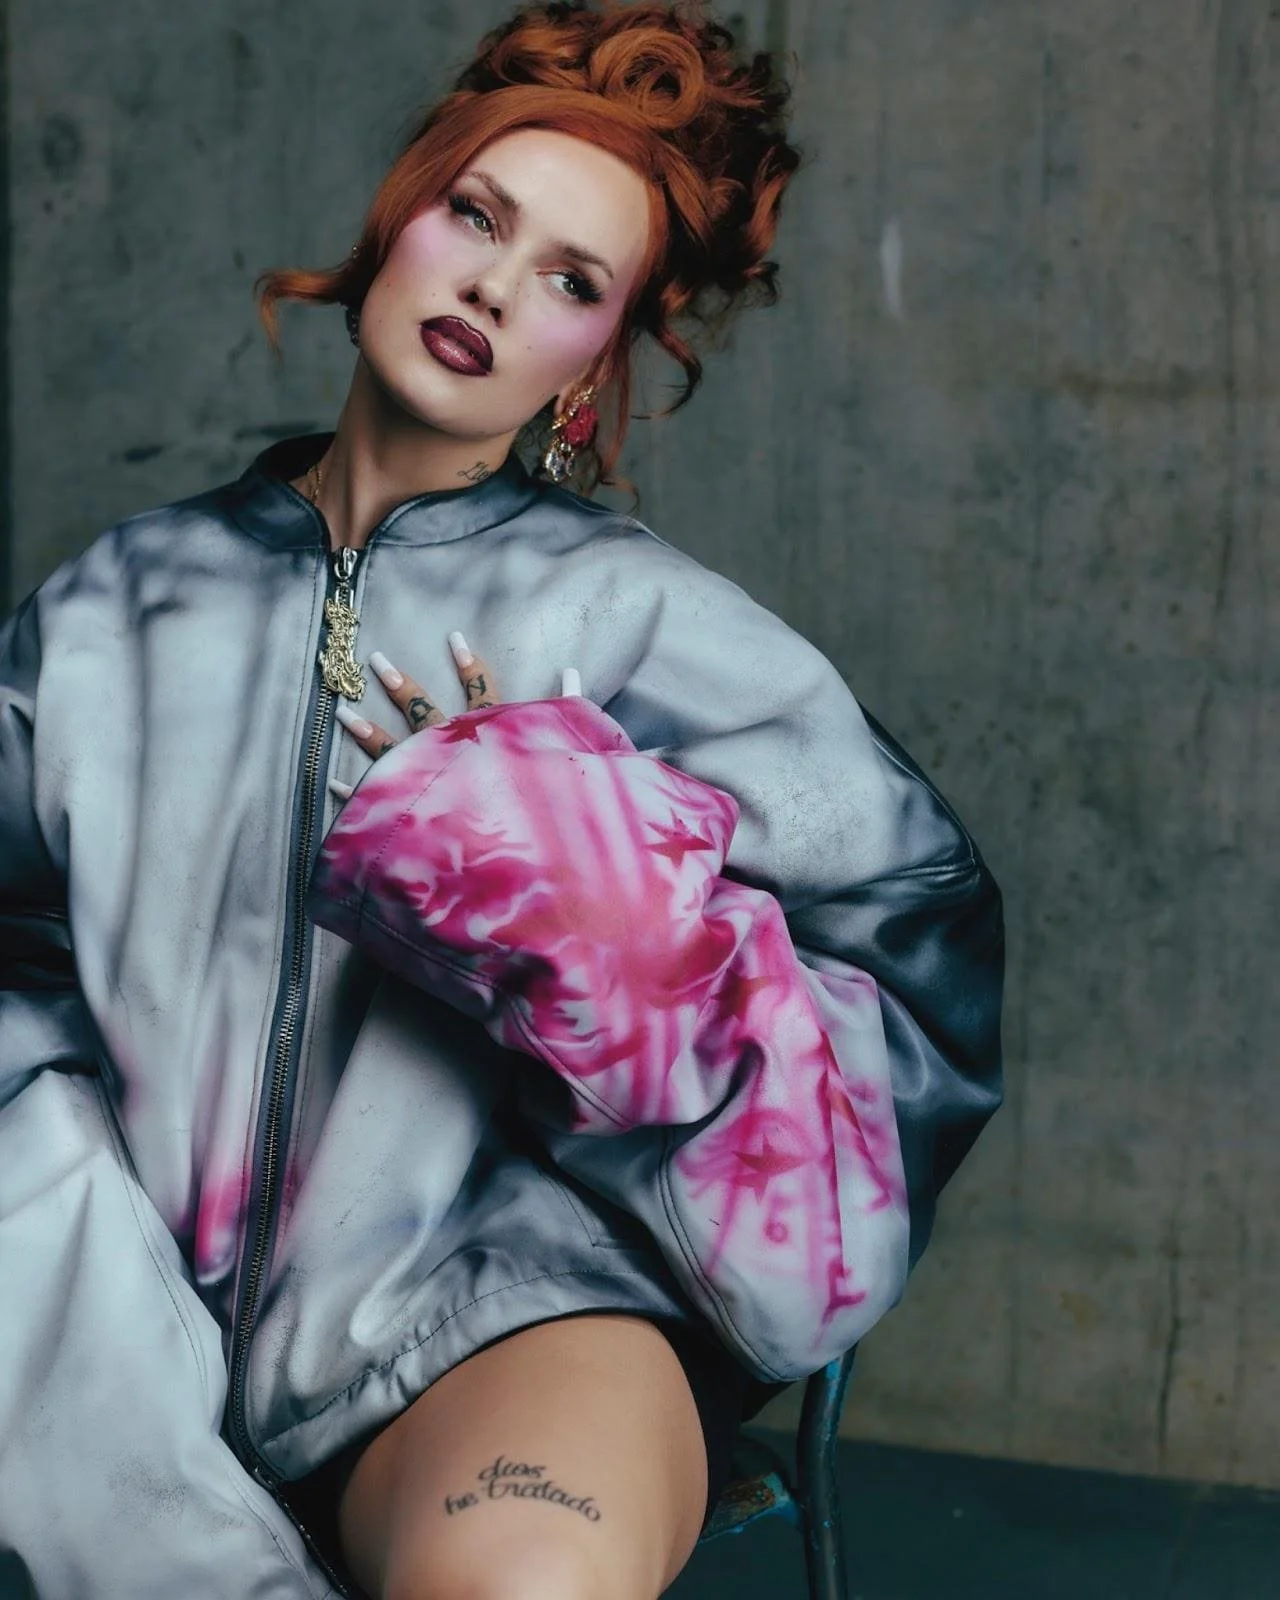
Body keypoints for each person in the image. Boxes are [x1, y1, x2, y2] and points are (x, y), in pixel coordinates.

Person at [0, 2, 1004, 1597]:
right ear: (400, 215)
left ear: (591, 364)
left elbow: (906, 1039)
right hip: (108, 1318)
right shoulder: (112, 610)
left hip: (503, 1310)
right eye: (477, 216)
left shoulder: (664, 635)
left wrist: (575, 895)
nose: (493, 285)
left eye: (571, 280)